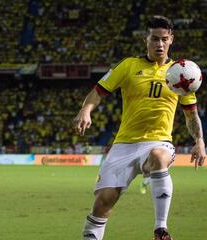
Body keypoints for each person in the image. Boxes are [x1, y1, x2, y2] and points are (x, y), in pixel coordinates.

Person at [73, 15, 206, 240]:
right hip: (124, 144)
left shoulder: (181, 73)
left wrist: (199, 140)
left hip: (158, 140)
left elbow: (191, 114)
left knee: (158, 156)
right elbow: (98, 91)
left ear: (171, 39)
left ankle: (160, 229)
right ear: (146, 40)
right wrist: (86, 110)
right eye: (154, 39)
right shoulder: (128, 65)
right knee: (102, 203)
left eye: (164, 39)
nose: (159, 44)